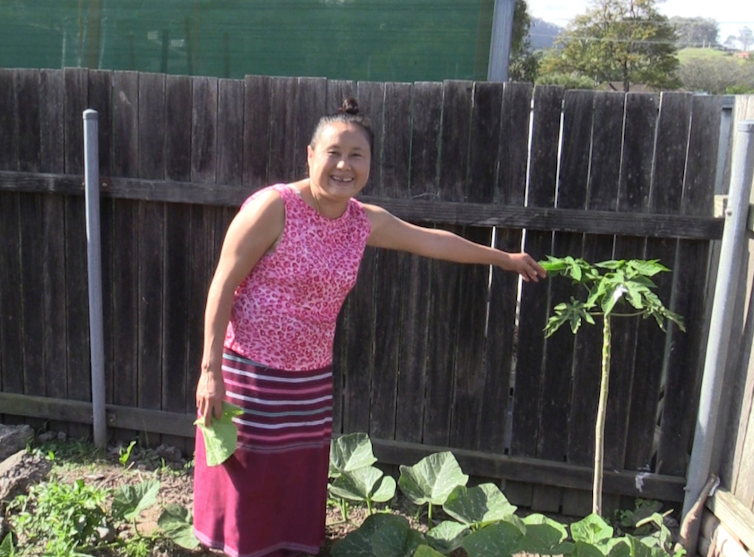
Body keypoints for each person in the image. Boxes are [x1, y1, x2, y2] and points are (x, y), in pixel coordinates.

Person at [193, 98, 546, 557]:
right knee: (249, 490)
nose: (344, 165)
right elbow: (222, 284)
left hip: (310, 380)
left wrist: (505, 259)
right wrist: (210, 370)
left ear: (370, 163)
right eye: (333, 152)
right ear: (310, 155)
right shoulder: (273, 208)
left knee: (293, 490)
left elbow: (432, 242)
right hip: (251, 375)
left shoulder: (362, 222)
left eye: (356, 155)